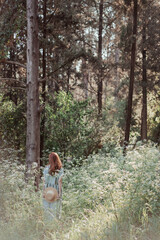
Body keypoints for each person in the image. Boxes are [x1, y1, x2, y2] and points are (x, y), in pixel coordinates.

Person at [43, 152, 64, 220]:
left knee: (47, 206)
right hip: (56, 190)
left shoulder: (46, 169)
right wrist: (59, 193)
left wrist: (43, 192)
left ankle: (47, 223)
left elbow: (44, 181)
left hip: (47, 190)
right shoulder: (60, 169)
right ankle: (54, 222)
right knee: (55, 207)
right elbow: (59, 182)